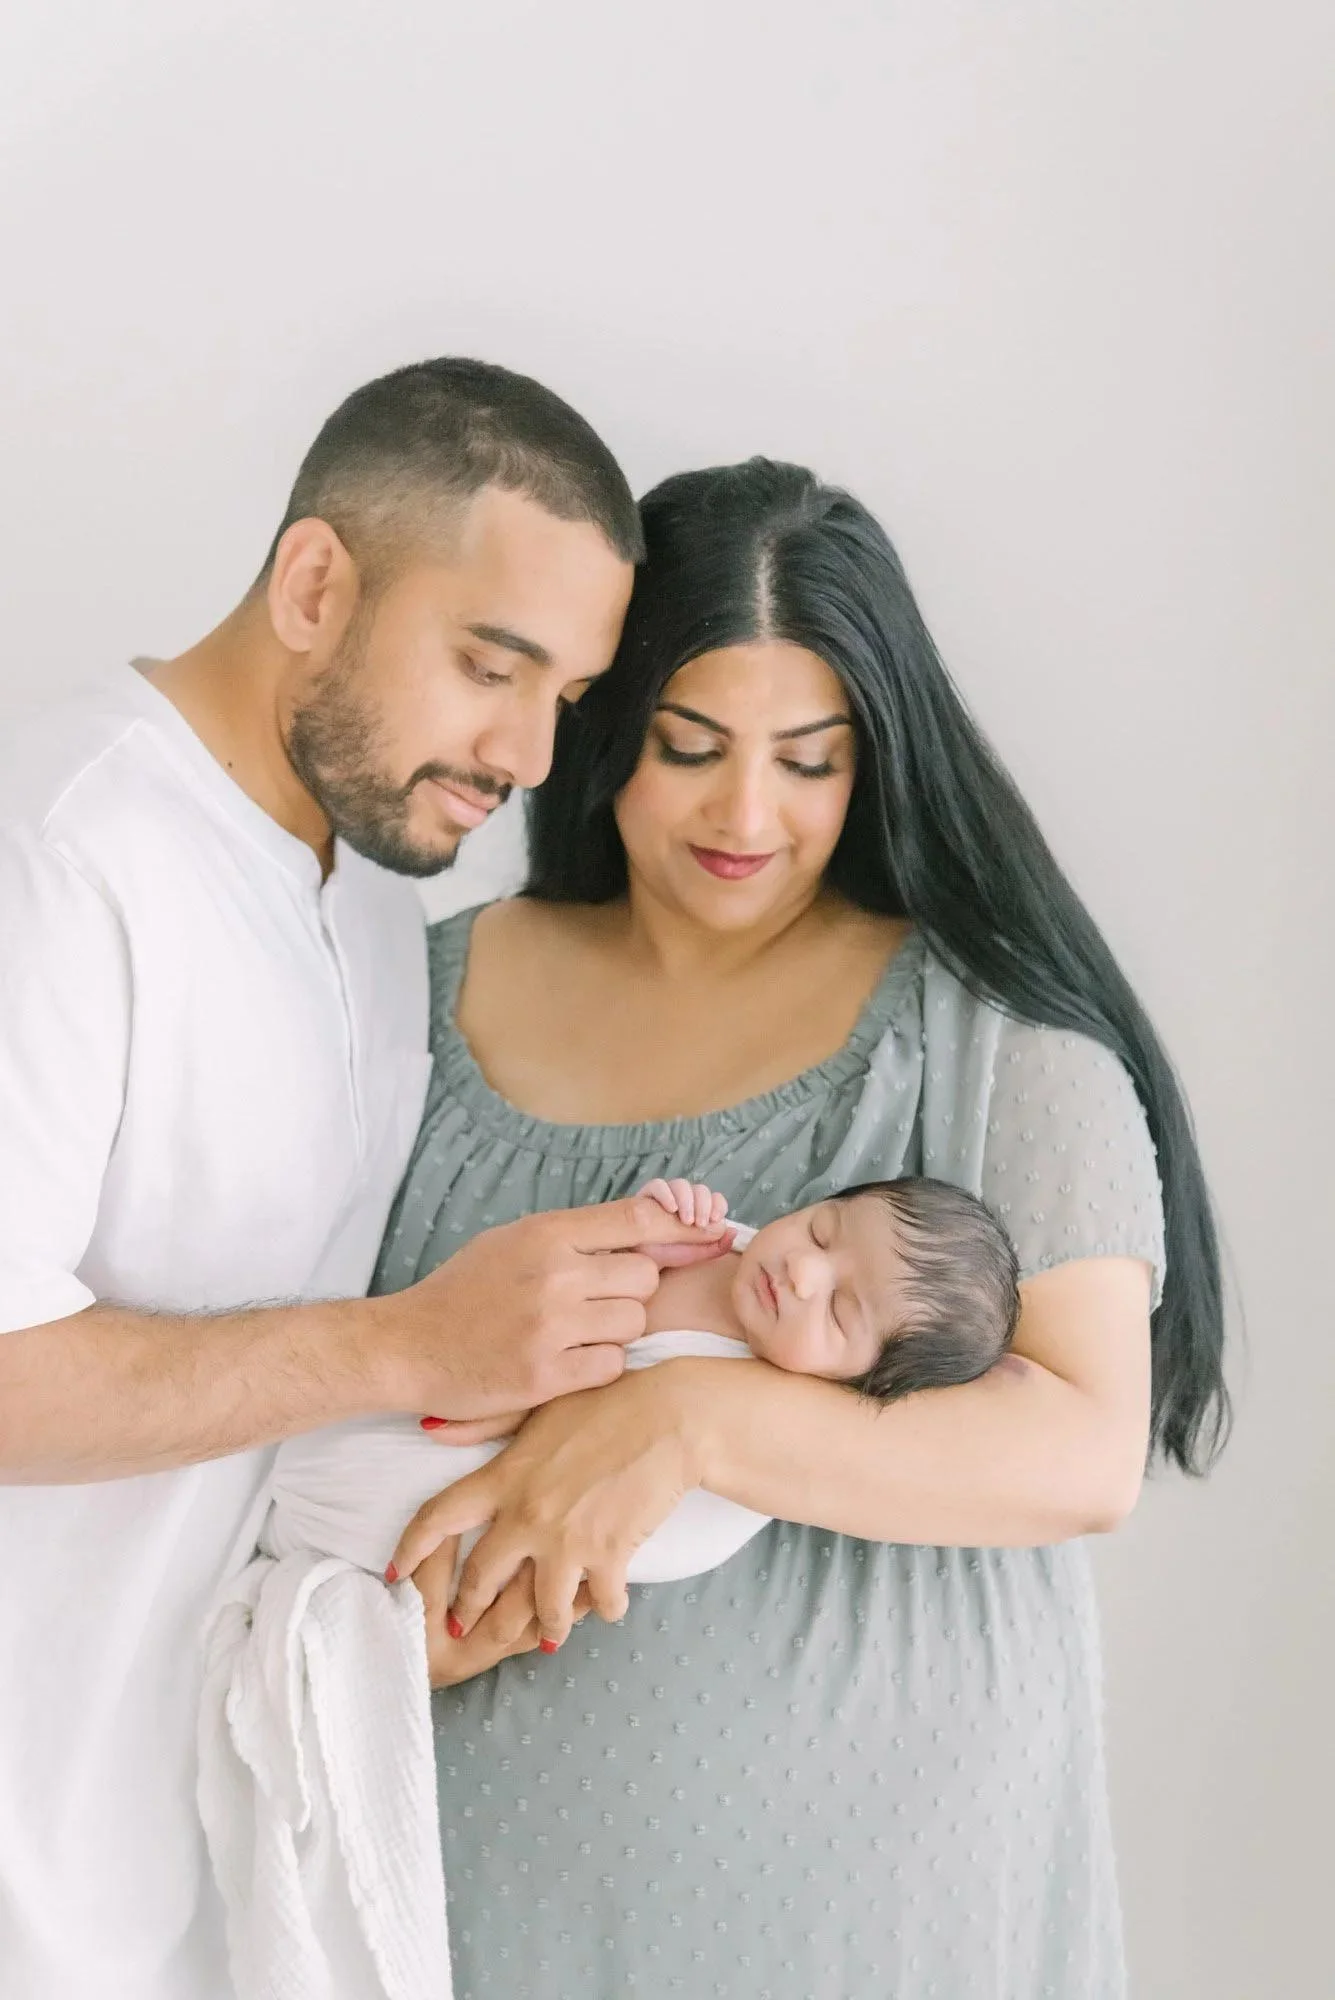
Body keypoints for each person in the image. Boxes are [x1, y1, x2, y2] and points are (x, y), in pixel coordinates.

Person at [378, 458, 1228, 1999]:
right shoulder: (413, 1002)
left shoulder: (990, 1041)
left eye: (810, 759)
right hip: (455, 1885)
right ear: (599, 731)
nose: (746, 814)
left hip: (875, 1907)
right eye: (688, 747)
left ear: (879, 761)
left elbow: (1078, 1453)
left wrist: (689, 1417)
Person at [0, 358, 724, 2000]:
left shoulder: (380, 909)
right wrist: (416, 1345)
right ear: (316, 582)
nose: (532, 754)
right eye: (492, 665)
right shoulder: (59, 846)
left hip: (188, 1888)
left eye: (567, 697)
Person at [199, 1172, 1019, 2000]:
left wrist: (553, 1418)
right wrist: (655, 1220)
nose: (804, 1273)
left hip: (419, 1521)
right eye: (823, 1228)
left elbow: (615, 1536)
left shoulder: (745, 1472)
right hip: (356, 1417)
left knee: (368, 1515)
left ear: (861, 1393)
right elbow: (568, 1268)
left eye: (841, 1312)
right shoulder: (728, 1245)